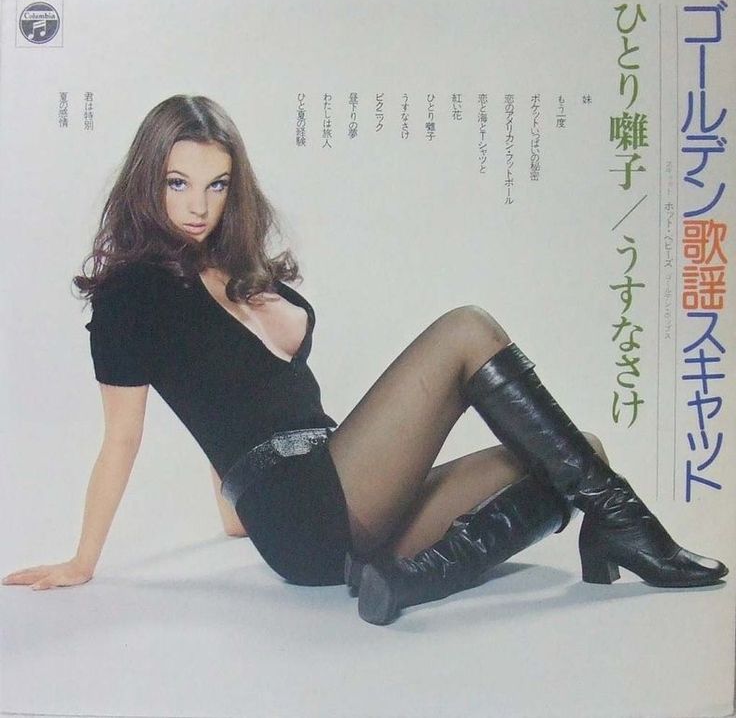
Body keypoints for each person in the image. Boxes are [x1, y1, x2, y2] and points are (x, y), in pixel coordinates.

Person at [2, 95, 728, 626]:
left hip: (347, 491)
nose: (199, 205)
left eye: (217, 184)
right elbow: (123, 439)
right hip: (304, 514)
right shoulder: (131, 295)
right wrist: (82, 560)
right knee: (466, 330)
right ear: (147, 181)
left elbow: (235, 391)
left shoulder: (240, 271)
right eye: (178, 182)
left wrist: (229, 505)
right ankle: (631, 527)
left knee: (580, 452)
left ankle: (408, 581)